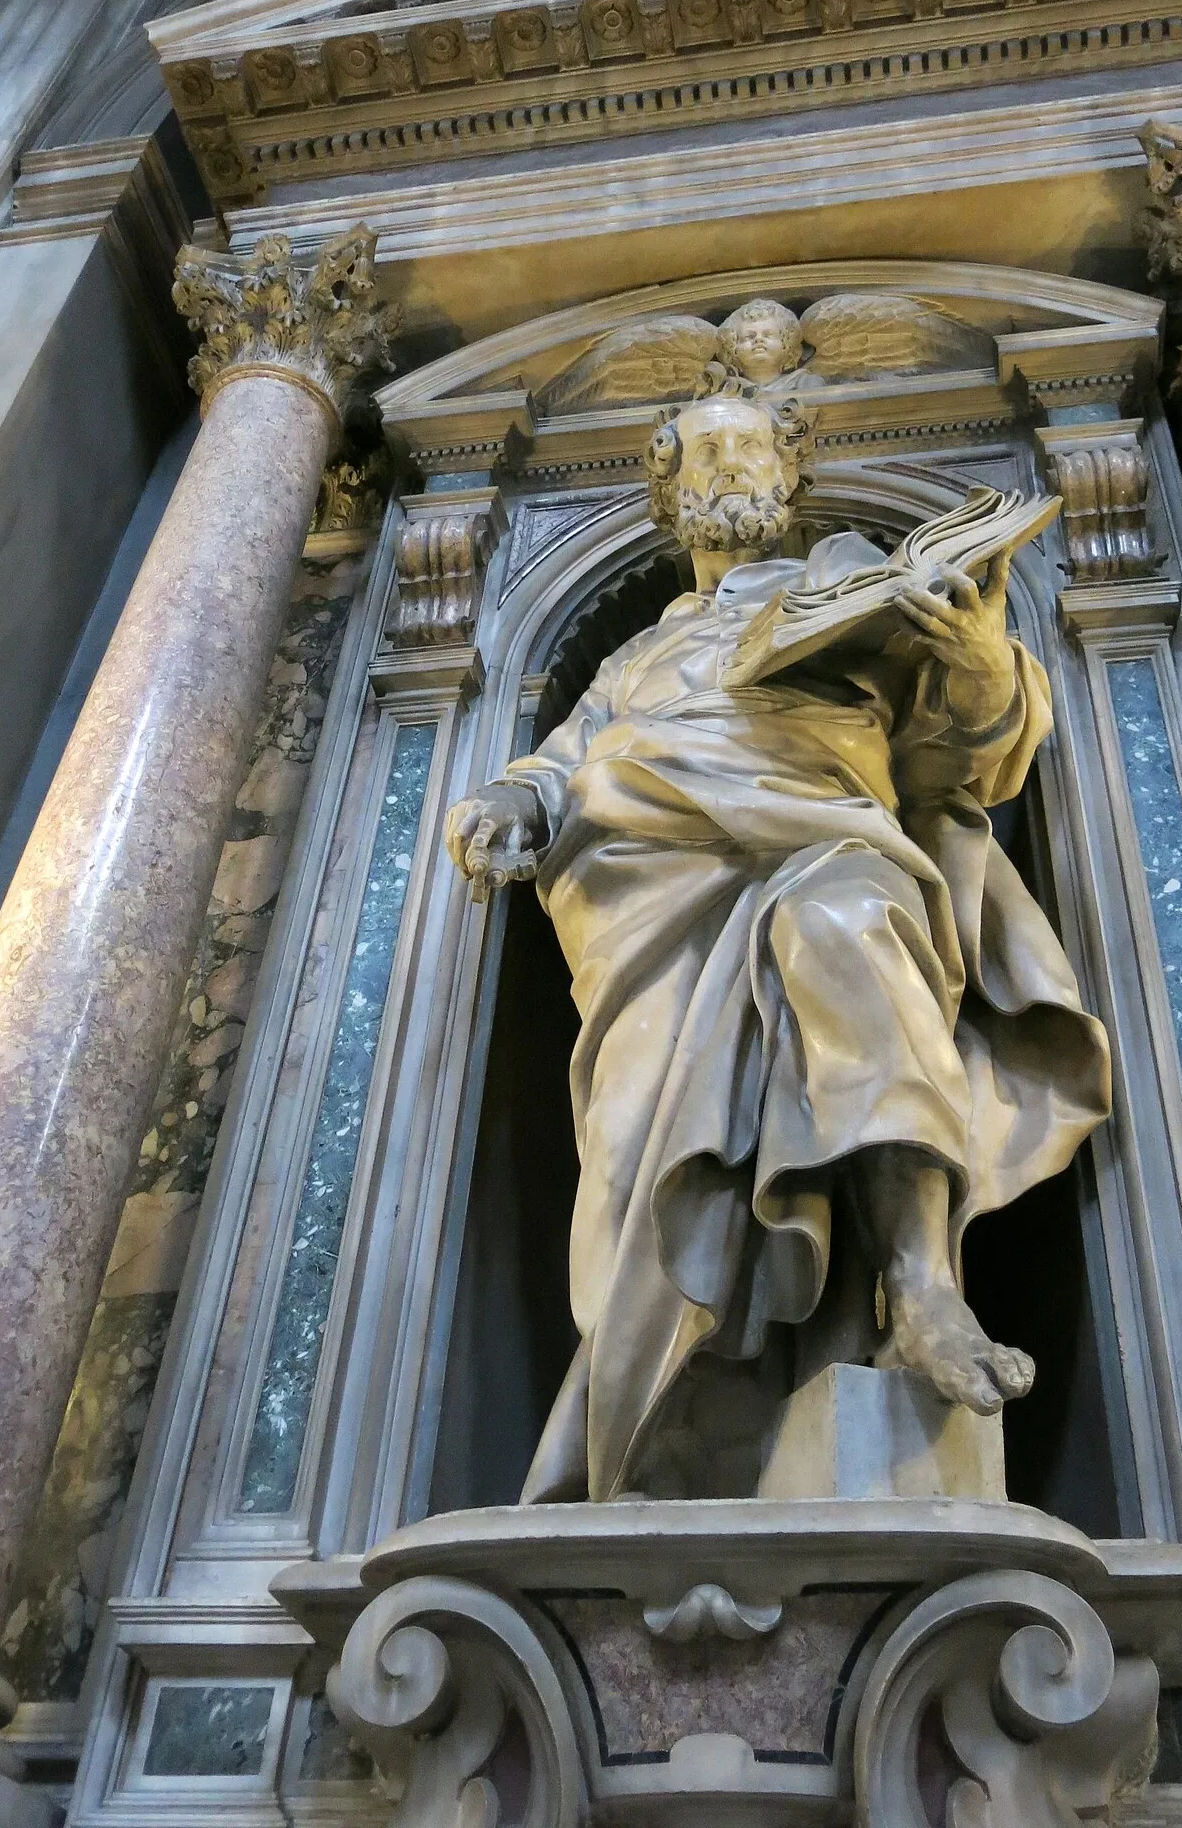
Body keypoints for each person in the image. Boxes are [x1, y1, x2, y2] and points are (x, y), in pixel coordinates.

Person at [445, 386, 1109, 1501]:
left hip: (827, 841)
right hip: (645, 903)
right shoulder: (636, 657)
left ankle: (920, 1280)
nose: (729, 466)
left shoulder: (847, 594)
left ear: (787, 469)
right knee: (633, 1161)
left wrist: (983, 659)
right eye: (704, 450)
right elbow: (564, 758)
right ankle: (656, 1430)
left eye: (749, 445)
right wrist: (514, 801)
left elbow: (970, 765)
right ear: (671, 489)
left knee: (846, 919)